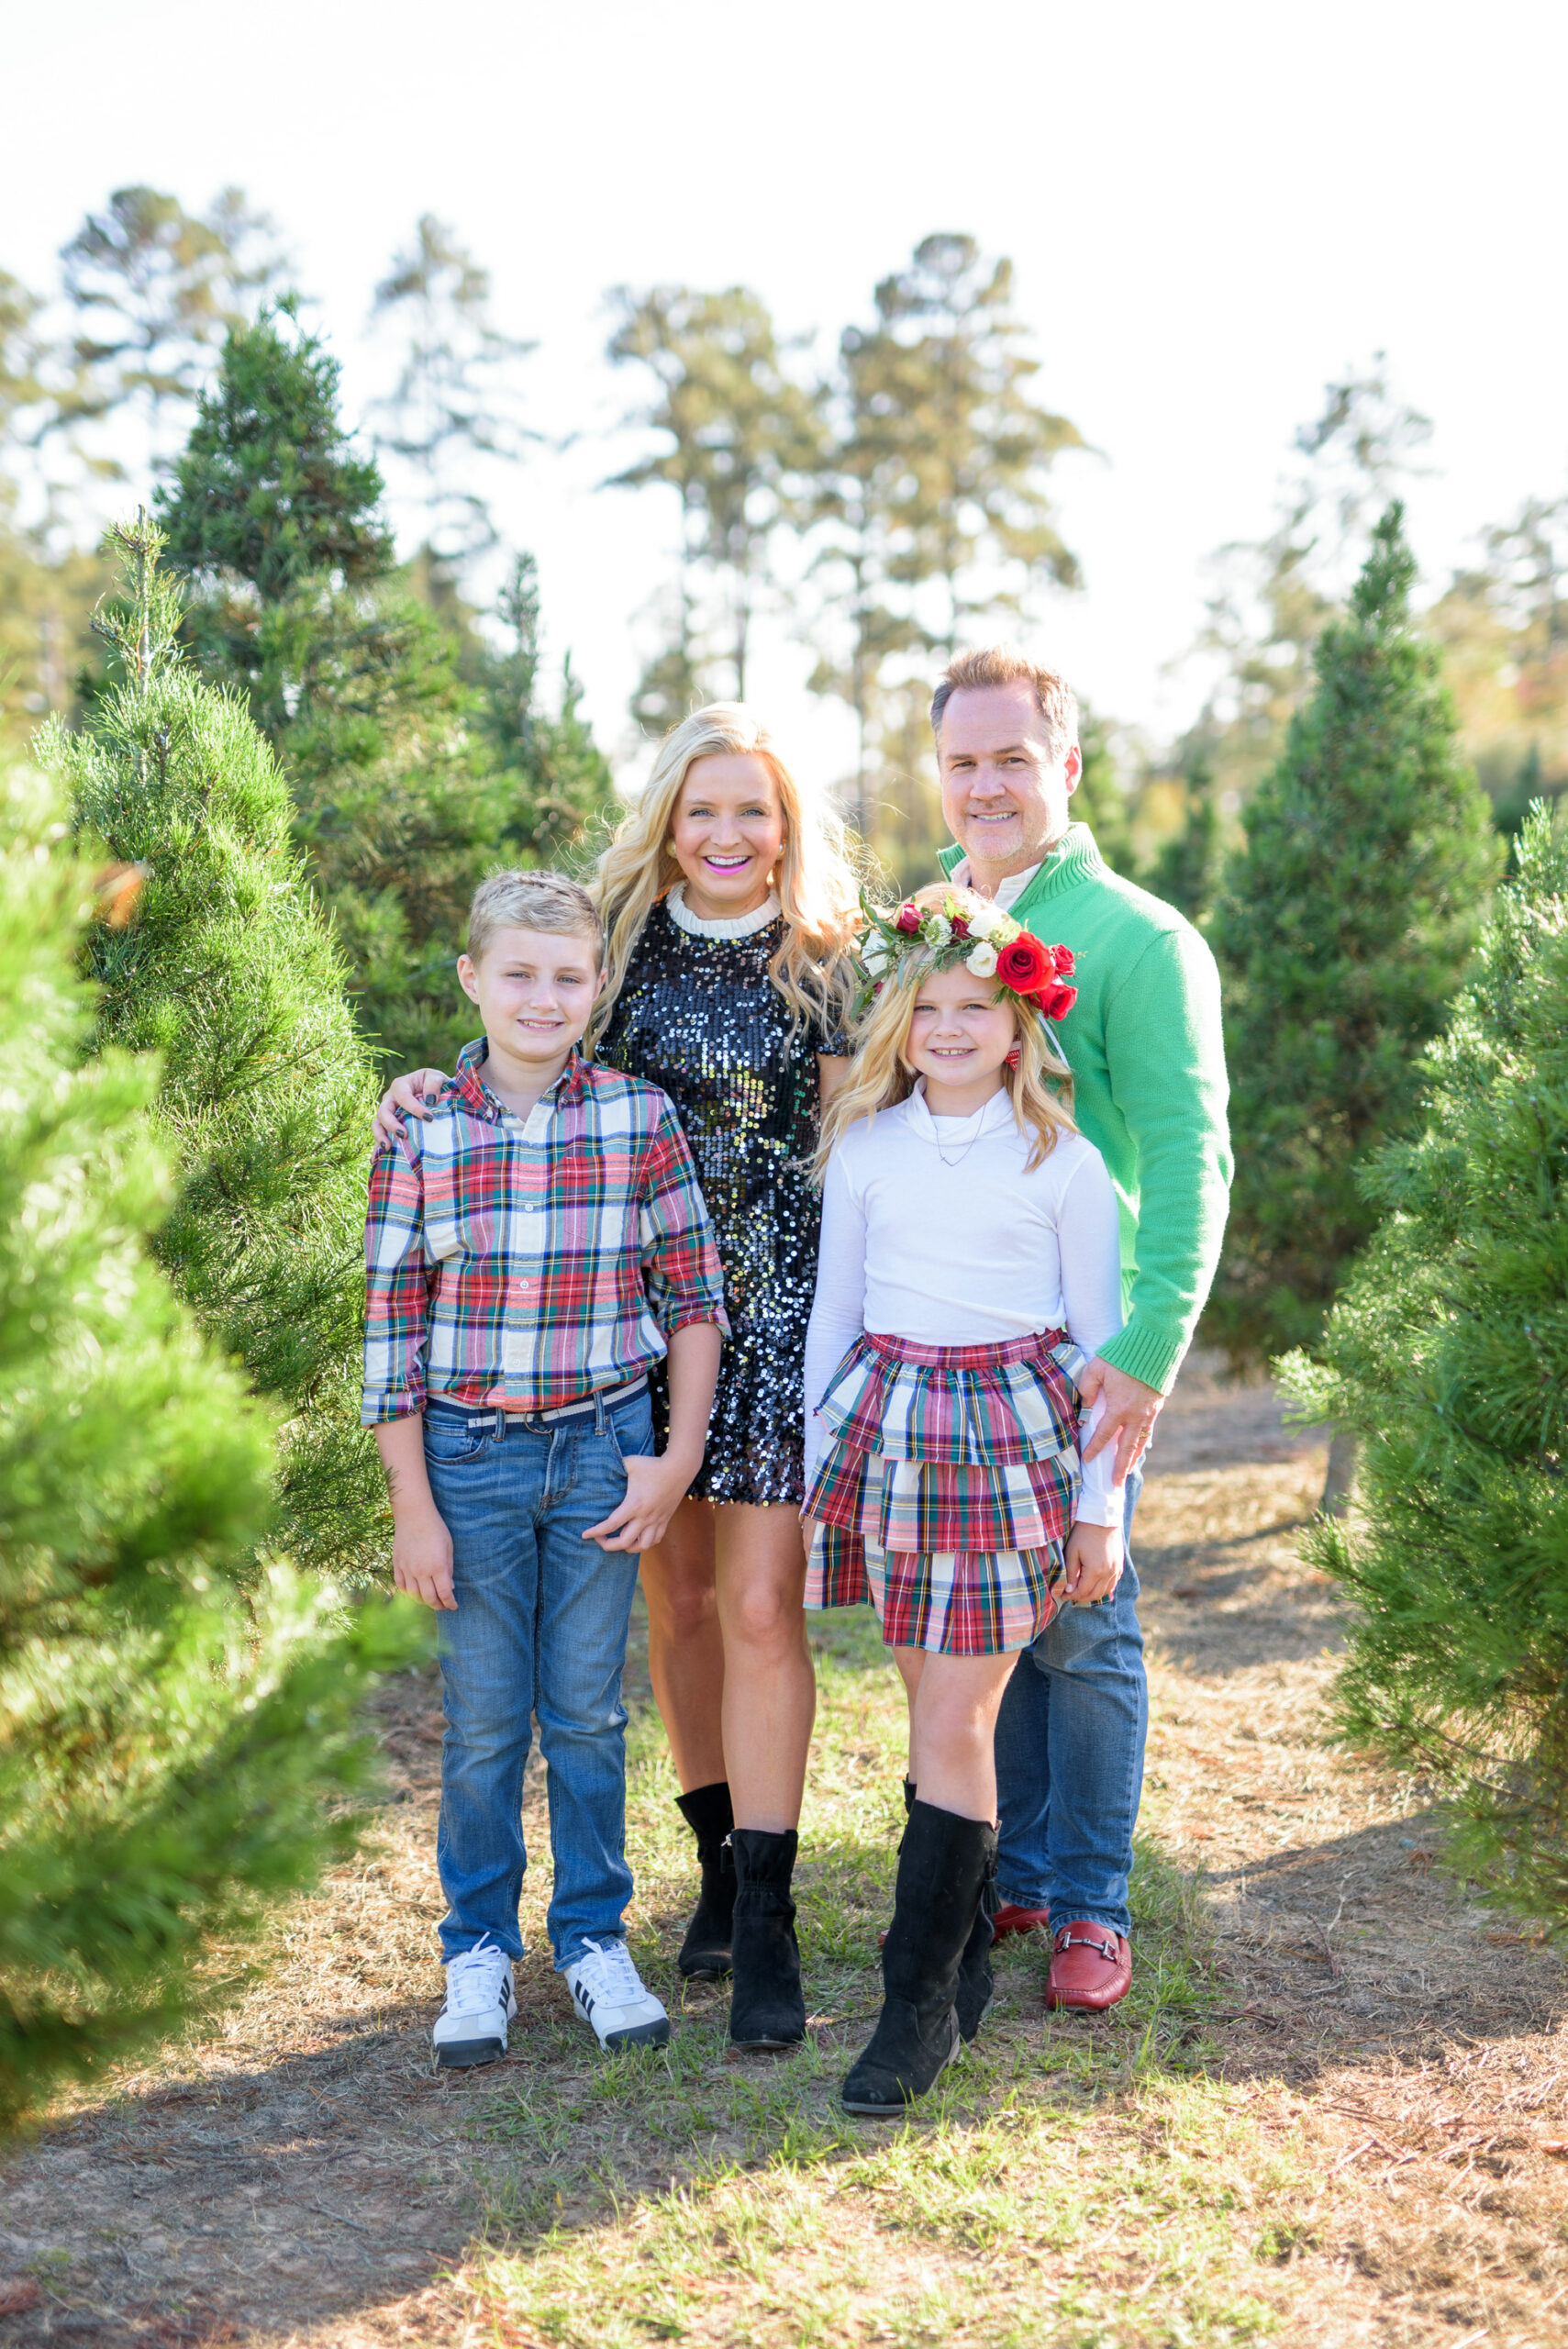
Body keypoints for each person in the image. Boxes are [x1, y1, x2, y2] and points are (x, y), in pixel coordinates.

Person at [373, 707, 860, 2050]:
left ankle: (767, 1914)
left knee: (762, 1605)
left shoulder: (825, 962)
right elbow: (529, 1051)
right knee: (677, 1600)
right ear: (666, 820)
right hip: (607, 1316)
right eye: (700, 809)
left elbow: (849, 1145)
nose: (724, 835)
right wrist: (425, 1083)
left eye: (750, 811)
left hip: (763, 1316)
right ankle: (705, 1871)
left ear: (785, 825)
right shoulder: (622, 948)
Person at [363, 870, 727, 2068]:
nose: (541, 996)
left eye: (566, 977)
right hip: (465, 1459)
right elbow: (388, 1330)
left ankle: (590, 1939)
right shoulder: (421, 1126)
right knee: (479, 1723)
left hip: (601, 1452)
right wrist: (412, 1505)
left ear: (595, 988)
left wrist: (672, 1461)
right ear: (472, 977)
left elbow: (692, 1300)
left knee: (582, 1713)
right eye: (516, 973)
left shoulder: (636, 1117)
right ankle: (477, 1946)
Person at [930, 647, 1232, 2012]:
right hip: (957, 1321)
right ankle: (1027, 1867)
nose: (985, 785)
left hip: (1084, 1330)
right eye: (961, 761)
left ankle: (1091, 1907)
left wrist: (1151, 1338)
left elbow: (1186, 1152)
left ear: (1065, 766)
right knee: (1004, 1604)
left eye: (1010, 758)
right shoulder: (928, 926)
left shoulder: (1135, 939)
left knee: (1084, 1615)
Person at [801, 882, 1125, 2111]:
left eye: (974, 1007)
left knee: (950, 1718)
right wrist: (818, 1445)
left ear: (1016, 1024)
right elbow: (837, 1312)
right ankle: (967, 1939)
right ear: (899, 1018)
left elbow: (1100, 1347)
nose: (947, 1027)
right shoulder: (867, 1147)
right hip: (887, 1434)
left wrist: (1101, 1511)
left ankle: (915, 2006)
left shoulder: (1061, 1161)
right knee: (933, 1714)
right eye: (926, 1005)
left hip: (1010, 1444)